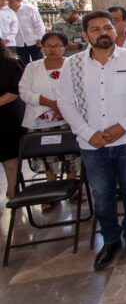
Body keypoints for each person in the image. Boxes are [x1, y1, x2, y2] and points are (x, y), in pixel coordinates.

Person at [56, 11, 126, 270]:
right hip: (92, 144)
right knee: (102, 195)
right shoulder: (73, 65)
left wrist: (122, 126)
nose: (103, 33)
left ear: (116, 30)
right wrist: (88, 133)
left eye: (107, 28)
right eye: (96, 29)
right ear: (86, 34)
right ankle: (110, 240)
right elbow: (65, 102)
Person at [18, 31, 81, 211]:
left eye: (57, 46)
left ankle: (73, 189)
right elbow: (24, 91)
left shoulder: (73, 65)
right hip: (42, 120)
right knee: (48, 157)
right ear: (42, 47)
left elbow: (80, 89)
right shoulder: (32, 67)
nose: (53, 49)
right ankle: (51, 193)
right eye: (48, 46)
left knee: (72, 156)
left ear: (65, 47)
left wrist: (64, 106)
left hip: (69, 118)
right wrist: (50, 104)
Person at [0, 41, 24, 200]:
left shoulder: (11, 63)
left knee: (10, 158)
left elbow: (17, 90)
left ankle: (13, 191)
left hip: (8, 117)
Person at [7, 0, 45, 66]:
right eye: (8, 2)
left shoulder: (30, 9)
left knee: (38, 63)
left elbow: (39, 24)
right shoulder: (7, 13)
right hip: (19, 44)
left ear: (19, 0)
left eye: (12, 2)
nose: (10, 4)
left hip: (34, 41)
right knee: (23, 65)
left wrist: (40, 37)